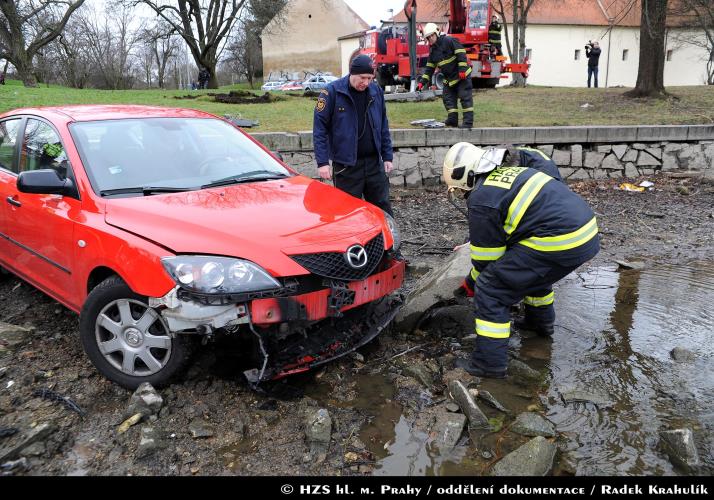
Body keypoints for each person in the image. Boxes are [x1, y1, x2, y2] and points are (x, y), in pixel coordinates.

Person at [444, 142, 600, 378]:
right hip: (586, 234)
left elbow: (487, 261)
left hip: (559, 240)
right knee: (533, 272)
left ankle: (489, 364)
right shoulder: (512, 173)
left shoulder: (482, 197)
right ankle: (540, 325)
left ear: (465, 176)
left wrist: (472, 284)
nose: (462, 195)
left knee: (491, 289)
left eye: (459, 190)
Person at [313, 54, 395, 216]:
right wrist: (322, 162)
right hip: (346, 167)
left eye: (370, 78)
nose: (366, 83)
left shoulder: (376, 92)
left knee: (382, 208)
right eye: (362, 78)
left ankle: (388, 240)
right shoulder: (332, 92)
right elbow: (319, 129)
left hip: (373, 164)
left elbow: (383, 125)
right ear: (352, 73)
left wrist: (387, 156)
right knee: (347, 213)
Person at [417, 23, 473, 128]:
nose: (430, 39)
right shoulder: (433, 52)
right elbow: (429, 69)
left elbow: (461, 53)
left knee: (465, 98)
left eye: (431, 36)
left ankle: (468, 123)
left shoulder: (449, 41)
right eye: (428, 38)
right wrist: (421, 83)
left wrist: (461, 69)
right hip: (449, 79)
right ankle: (452, 120)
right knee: (448, 98)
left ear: (437, 33)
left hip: (462, 76)